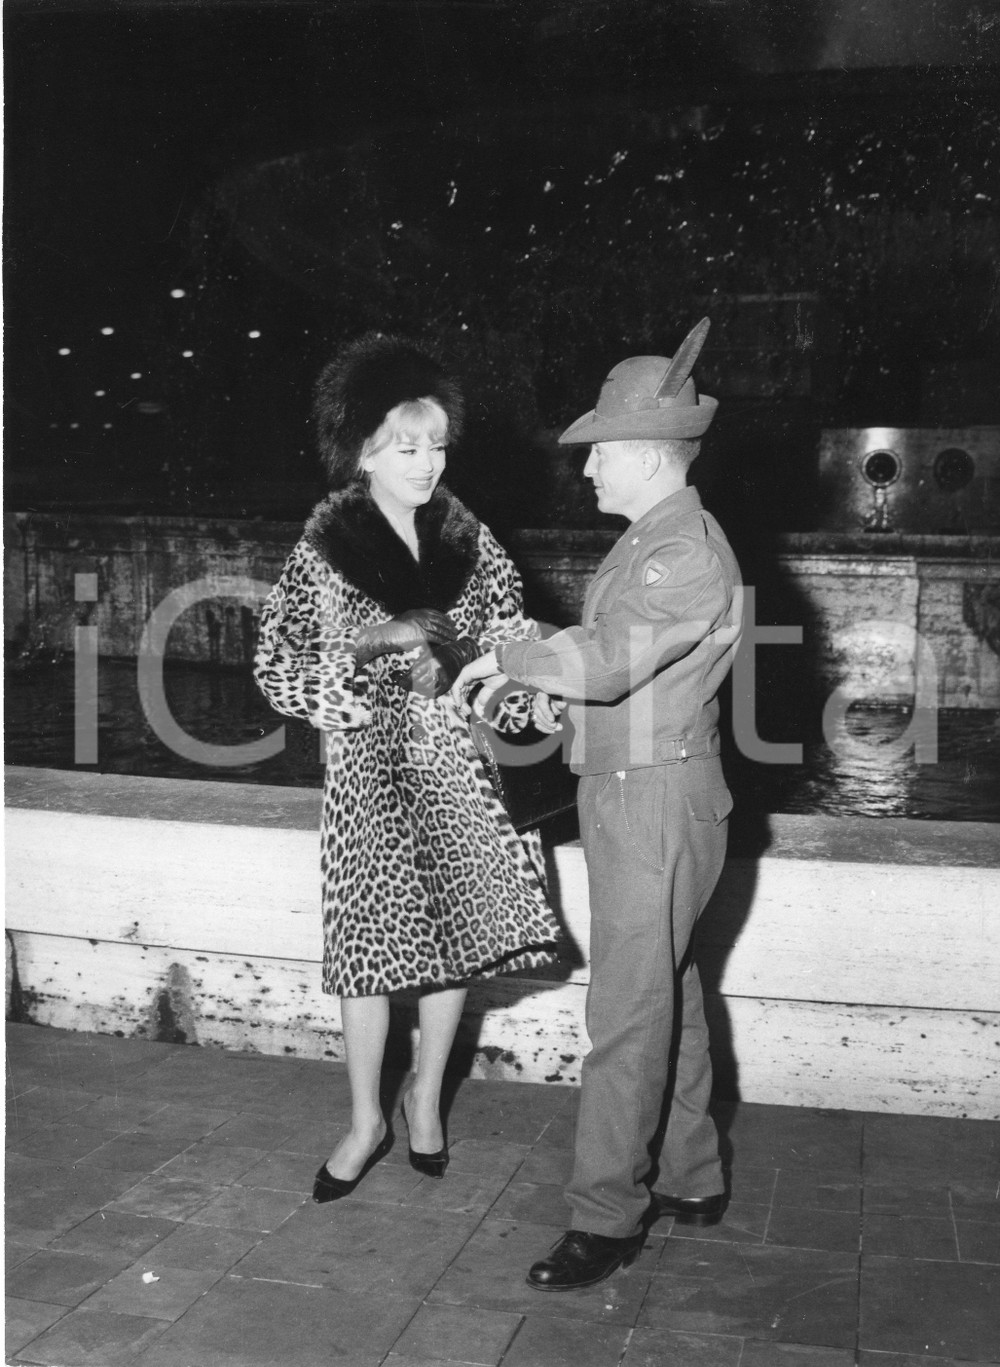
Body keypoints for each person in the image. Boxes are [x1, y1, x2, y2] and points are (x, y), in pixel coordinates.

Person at [451, 318, 743, 1289]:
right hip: (645, 790)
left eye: (599, 454)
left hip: (650, 800)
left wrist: (516, 657)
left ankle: (605, 1216)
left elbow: (615, 659)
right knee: (672, 991)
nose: (586, 473)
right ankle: (692, 1175)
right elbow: (616, 646)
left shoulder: (682, 549)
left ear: (651, 457)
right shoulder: (658, 540)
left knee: (625, 1009)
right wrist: (540, 650)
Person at [255, 332, 559, 1202]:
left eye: (436, 445)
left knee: (454, 940)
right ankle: (365, 1120)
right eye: (405, 446)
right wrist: (364, 660)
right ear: (363, 452)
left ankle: (426, 1093)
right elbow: (276, 663)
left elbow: (513, 634)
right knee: (365, 951)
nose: (426, 463)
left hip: (458, 761)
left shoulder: (471, 536)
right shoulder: (323, 547)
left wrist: (460, 657)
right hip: (369, 771)